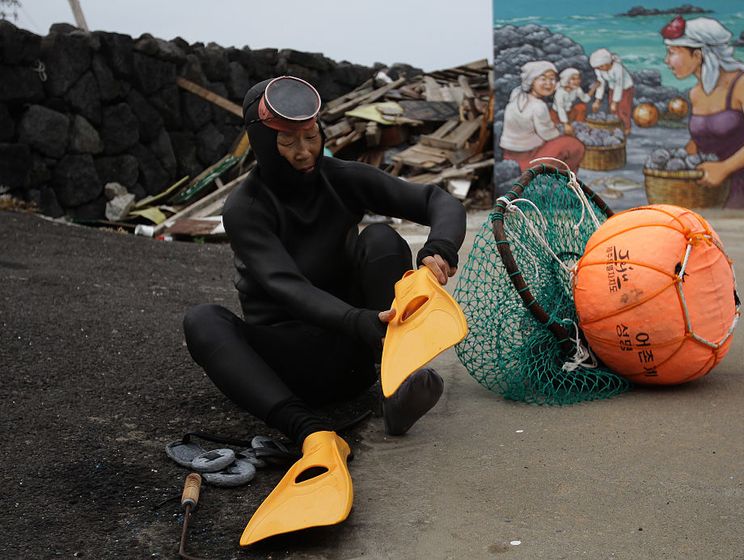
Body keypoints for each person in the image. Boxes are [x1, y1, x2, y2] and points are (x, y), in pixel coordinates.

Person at [182, 76, 466, 448]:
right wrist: (357, 320)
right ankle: (307, 430)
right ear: (264, 145)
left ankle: (394, 387)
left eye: (312, 136)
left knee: (381, 238)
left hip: (357, 354)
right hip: (292, 366)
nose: (304, 152)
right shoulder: (246, 208)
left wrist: (439, 248)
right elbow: (287, 285)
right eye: (288, 141)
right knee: (202, 320)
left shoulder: (342, 178)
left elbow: (438, 201)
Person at [662, 15, 744, 208]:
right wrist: (677, 162)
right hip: (708, 188)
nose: (667, 61)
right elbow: (701, 139)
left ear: (698, 55)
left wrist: (725, 168)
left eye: (672, 52)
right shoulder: (695, 93)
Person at [499, 61, 585, 172]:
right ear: (532, 81)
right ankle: (564, 180)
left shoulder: (517, 96)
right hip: (527, 160)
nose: (549, 83)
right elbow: (549, 135)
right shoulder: (538, 106)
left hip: (509, 156)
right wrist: (564, 131)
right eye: (543, 79)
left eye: (552, 79)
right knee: (574, 145)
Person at [589, 48, 635, 136]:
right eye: (598, 68)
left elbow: (619, 84)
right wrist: (597, 100)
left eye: (601, 66)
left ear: (608, 62)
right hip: (613, 88)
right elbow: (601, 84)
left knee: (623, 108)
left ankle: (627, 127)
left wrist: (615, 101)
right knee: (613, 109)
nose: (600, 69)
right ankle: (616, 127)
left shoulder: (617, 68)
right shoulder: (599, 70)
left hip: (625, 87)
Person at [552, 68, 590, 135]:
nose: (577, 81)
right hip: (557, 114)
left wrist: (594, 88)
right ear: (566, 80)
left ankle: (580, 129)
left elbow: (585, 99)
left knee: (581, 107)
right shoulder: (560, 93)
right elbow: (560, 108)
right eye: (573, 79)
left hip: (569, 112)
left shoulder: (577, 89)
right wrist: (565, 124)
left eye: (578, 79)